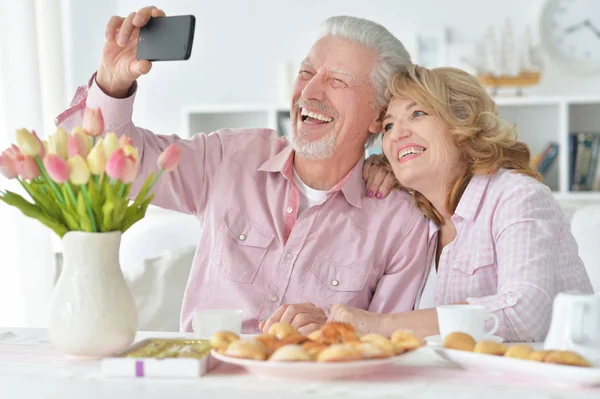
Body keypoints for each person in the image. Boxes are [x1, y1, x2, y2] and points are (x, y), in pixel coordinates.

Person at [55, 6, 430, 334]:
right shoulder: (230, 157)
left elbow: (390, 347)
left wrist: (332, 333)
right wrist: (111, 83)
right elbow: (106, 164)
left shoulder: (401, 220)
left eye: (337, 81)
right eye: (306, 72)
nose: (310, 92)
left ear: (379, 115)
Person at [329, 65, 593, 342]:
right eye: (388, 126)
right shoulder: (416, 218)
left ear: (462, 123)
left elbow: (524, 313)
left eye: (417, 113)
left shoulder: (517, 195)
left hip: (547, 379)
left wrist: (381, 326)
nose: (396, 134)